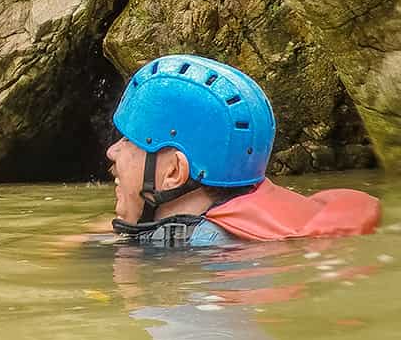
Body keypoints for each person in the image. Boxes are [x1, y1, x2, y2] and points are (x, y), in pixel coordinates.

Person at [107, 54, 379, 246]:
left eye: (130, 141)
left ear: (174, 172)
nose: (112, 151)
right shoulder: (244, 223)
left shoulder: (207, 250)